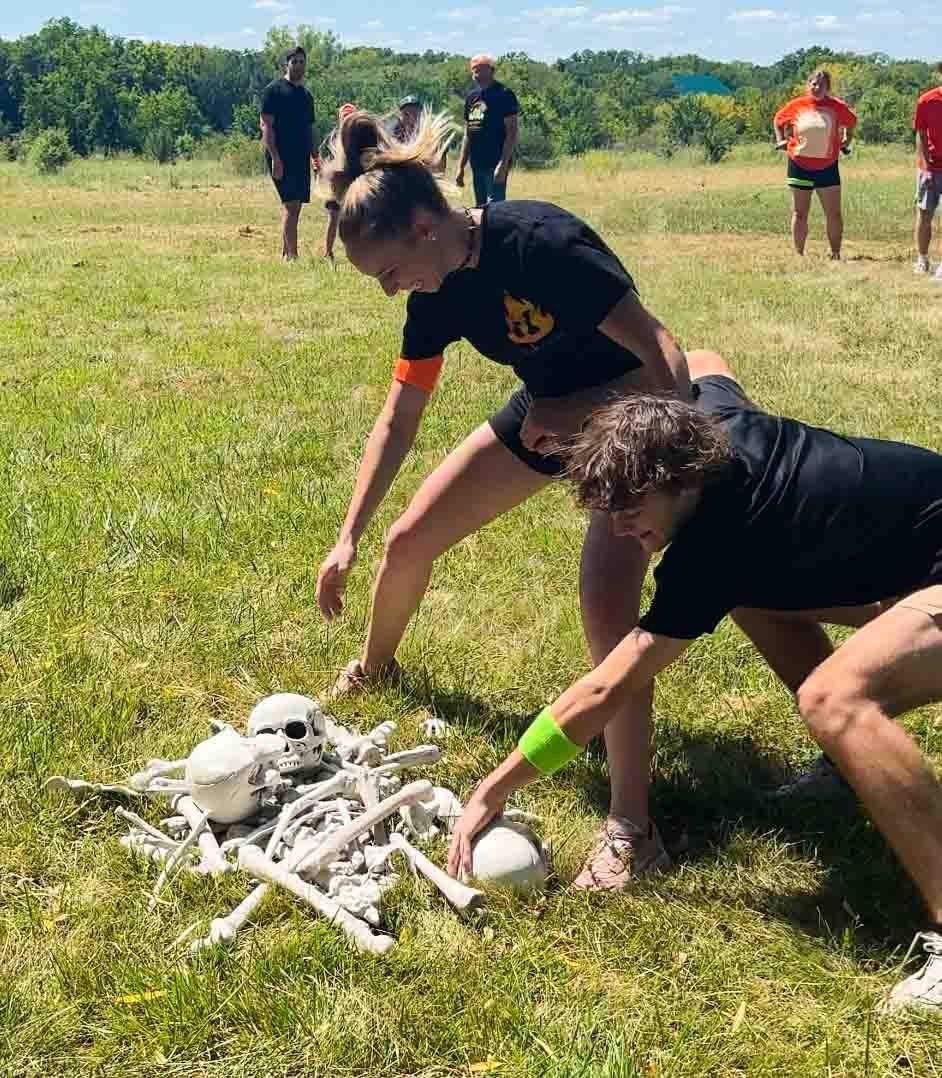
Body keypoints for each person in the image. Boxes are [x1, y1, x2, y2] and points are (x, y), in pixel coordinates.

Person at [315, 109, 767, 888]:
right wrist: (348, 533)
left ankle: (633, 824)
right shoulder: (438, 294)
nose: (391, 292)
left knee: (604, 598)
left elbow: (662, 354)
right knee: (409, 539)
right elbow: (402, 415)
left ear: (425, 227)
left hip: (646, 409)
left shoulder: (541, 242)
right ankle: (374, 669)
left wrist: (632, 447)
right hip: (551, 411)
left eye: (388, 271)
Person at [448, 360, 942, 1014]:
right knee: (754, 597)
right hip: (915, 559)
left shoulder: (716, 541)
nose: (622, 530)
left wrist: (496, 784)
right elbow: (709, 364)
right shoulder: (707, 423)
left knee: (835, 698)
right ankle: (849, 764)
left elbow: (603, 691)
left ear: (672, 479)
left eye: (630, 508)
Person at [773, 69, 856, 260]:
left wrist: (846, 140)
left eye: (822, 85)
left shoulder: (836, 106)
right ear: (808, 85)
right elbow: (778, 120)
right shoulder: (797, 105)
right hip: (799, 165)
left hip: (827, 167)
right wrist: (780, 140)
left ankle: (835, 253)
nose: (817, 88)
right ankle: (799, 254)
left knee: (833, 213)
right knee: (799, 213)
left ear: (828, 88)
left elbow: (851, 122)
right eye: (814, 84)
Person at [260, 47, 318, 261]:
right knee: (291, 205)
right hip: (280, 156)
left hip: (300, 156)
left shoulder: (306, 96)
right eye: (295, 62)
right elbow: (266, 125)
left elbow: (310, 129)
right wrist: (275, 158)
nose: (299, 66)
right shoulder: (273, 91)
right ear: (286, 64)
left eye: (302, 62)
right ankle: (293, 256)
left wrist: (315, 157)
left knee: (295, 207)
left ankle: (286, 253)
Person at [455, 55, 519, 207]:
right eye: (475, 71)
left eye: (482, 71)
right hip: (477, 163)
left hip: (495, 162)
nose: (478, 75)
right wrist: (460, 167)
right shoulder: (472, 98)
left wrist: (503, 164)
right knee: (480, 209)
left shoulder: (504, 94)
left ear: (492, 71)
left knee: (495, 209)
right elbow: (468, 134)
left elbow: (512, 131)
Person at [913, 63, 942, 278]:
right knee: (924, 214)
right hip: (931, 166)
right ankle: (922, 259)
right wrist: (926, 168)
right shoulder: (927, 100)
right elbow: (921, 135)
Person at [322, 103, 358, 261]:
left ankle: (356, 252)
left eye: (350, 115)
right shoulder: (334, 138)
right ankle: (328, 252)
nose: (347, 118)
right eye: (345, 116)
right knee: (333, 217)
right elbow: (327, 161)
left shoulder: (359, 136)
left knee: (355, 219)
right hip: (337, 184)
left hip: (354, 182)